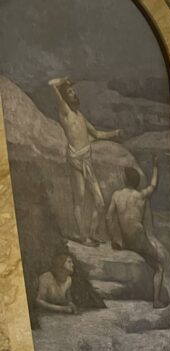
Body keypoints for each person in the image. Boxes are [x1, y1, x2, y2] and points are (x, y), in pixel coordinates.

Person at [49, 77, 121, 246]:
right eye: (70, 93)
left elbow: (96, 134)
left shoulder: (80, 116)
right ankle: (84, 237)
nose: (74, 94)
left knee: (100, 202)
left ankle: (93, 233)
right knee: (79, 198)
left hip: (87, 160)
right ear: (65, 99)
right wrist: (64, 80)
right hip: (75, 160)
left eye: (74, 91)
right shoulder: (65, 111)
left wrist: (115, 133)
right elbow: (51, 84)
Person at [106, 159, 167, 308]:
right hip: (139, 240)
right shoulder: (140, 195)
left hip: (125, 241)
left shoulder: (116, 195)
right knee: (159, 266)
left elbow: (108, 218)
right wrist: (155, 167)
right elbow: (153, 185)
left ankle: (121, 244)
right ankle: (156, 301)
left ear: (125, 179)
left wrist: (115, 238)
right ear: (136, 182)